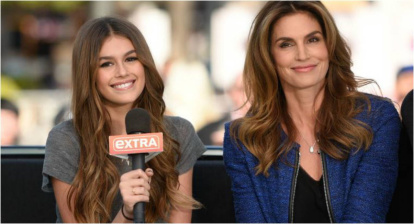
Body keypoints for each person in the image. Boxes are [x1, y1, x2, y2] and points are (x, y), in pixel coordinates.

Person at [223, 1, 400, 223]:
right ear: (268, 56)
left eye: (313, 39)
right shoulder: (243, 138)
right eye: (286, 44)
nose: (302, 54)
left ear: (330, 45)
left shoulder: (377, 119)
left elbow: (365, 217)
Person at [41, 16, 205, 223]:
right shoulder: (66, 140)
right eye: (107, 64)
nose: (122, 72)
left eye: (130, 59)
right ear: (88, 74)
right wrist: (127, 213)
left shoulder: (178, 133)